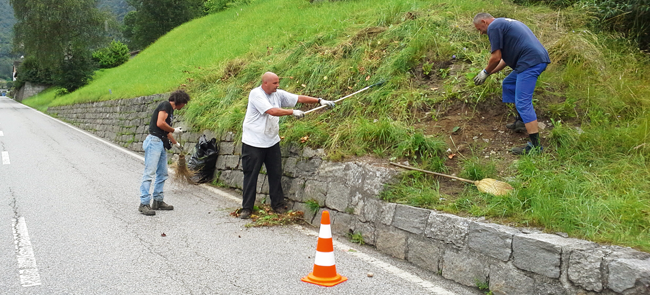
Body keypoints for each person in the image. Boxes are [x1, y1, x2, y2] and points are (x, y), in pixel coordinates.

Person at [239, 72, 335, 219]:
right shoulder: (256, 94)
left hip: (271, 141)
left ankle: (277, 205)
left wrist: (320, 100)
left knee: (276, 174)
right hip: (253, 142)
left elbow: (298, 98)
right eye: (275, 83)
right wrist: (292, 112)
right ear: (265, 83)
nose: (278, 85)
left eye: (278, 82)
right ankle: (247, 208)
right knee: (251, 175)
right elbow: (272, 111)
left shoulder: (278, 94)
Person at [472, 13, 551, 155]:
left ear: (484, 21)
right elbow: (503, 60)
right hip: (534, 60)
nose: (481, 32)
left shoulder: (494, 27)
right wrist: (489, 73)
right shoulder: (505, 24)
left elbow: (495, 57)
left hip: (530, 63)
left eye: (479, 29)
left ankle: (535, 146)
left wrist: (484, 71)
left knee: (523, 102)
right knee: (509, 83)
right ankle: (521, 121)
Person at [138, 90, 190, 216]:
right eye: (184, 103)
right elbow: (160, 123)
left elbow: (165, 130)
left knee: (162, 173)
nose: (184, 106)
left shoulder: (170, 111)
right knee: (149, 173)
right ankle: (144, 203)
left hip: (160, 143)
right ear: (180, 101)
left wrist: (176, 143)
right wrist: (174, 130)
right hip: (154, 141)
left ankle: (158, 201)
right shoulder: (165, 105)